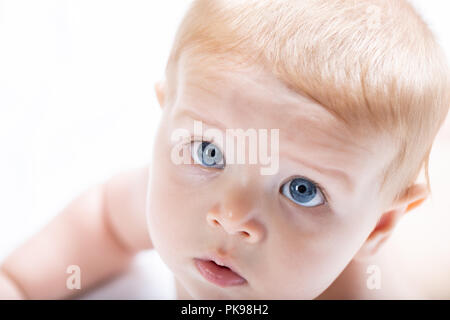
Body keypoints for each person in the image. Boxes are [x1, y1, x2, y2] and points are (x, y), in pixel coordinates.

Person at [1, 0, 449, 299]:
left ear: (377, 226)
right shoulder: (165, 202)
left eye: (301, 189)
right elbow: (100, 221)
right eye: (208, 153)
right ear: (165, 116)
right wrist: (18, 285)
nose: (232, 218)